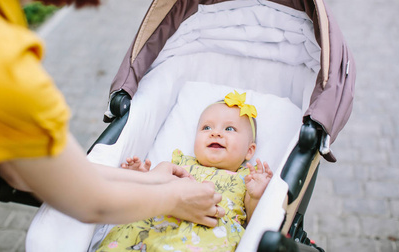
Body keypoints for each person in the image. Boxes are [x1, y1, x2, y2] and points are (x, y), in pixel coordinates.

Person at [0, 0, 222, 227]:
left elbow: (24, 173)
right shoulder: (2, 66)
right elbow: (92, 202)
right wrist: (174, 198)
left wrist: (149, 180)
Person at [97, 91, 274, 252]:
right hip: (155, 225)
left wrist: (256, 197)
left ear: (250, 151)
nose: (215, 133)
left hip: (207, 235)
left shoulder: (247, 178)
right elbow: (152, 192)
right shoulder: (179, 164)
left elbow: (253, 222)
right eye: (206, 127)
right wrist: (140, 177)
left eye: (229, 129)